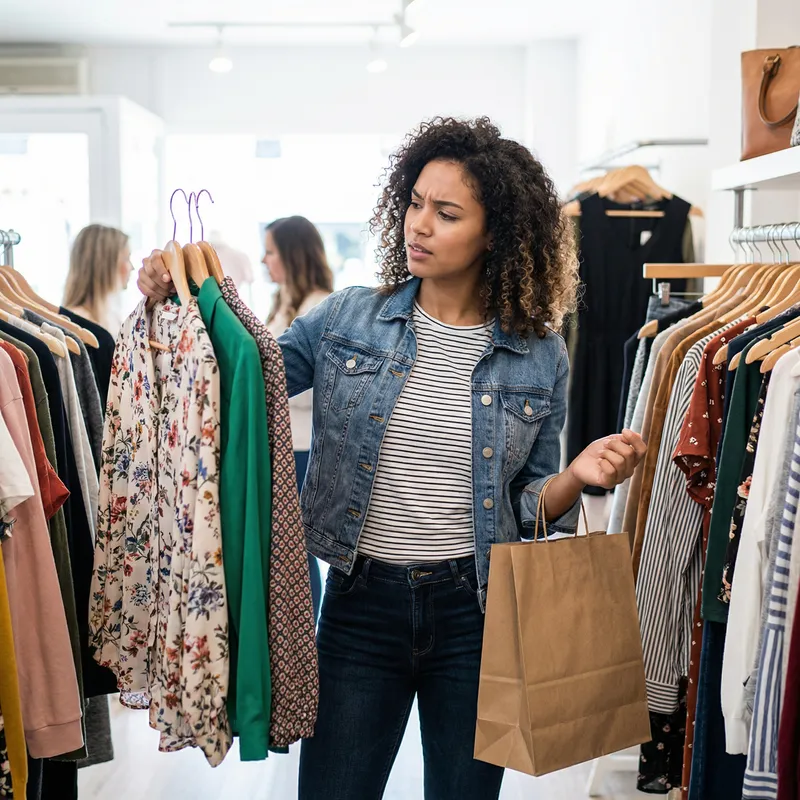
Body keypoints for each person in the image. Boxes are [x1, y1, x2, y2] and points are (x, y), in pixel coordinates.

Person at [136, 116, 646, 800]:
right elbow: (242, 382)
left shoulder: (539, 353)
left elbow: (530, 510)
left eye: (446, 212)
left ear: (496, 234)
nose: (419, 225)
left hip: (476, 614)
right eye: (414, 203)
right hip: (359, 606)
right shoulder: (349, 318)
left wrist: (575, 479)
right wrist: (182, 298)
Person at [263, 215, 335, 618]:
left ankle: (305, 632)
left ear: (292, 254)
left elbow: (315, 387)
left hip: (303, 445)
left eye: (271, 251)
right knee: (288, 552)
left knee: (298, 551)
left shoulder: (320, 307)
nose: (263, 260)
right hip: (286, 442)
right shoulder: (285, 302)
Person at [63, 224, 134, 337]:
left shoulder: (113, 318)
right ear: (106, 264)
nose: (132, 267)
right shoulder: (76, 322)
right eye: (126, 258)